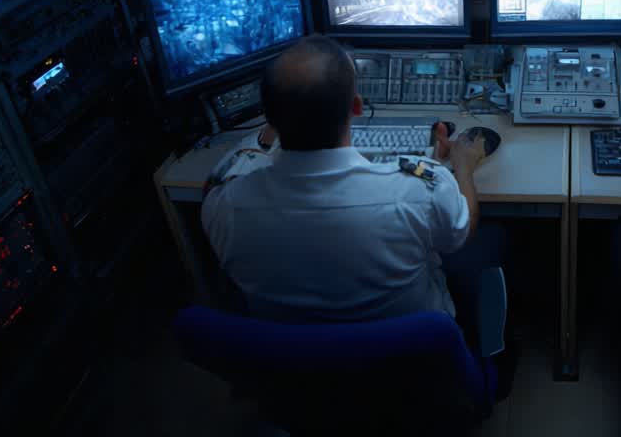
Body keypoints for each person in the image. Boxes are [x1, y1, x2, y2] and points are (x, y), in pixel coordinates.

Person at [200, 35, 506, 357]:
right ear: (357, 107)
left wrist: (273, 128)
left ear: (271, 117)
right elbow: (463, 229)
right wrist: (463, 165)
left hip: (296, 370)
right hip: (408, 363)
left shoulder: (225, 207)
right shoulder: (418, 189)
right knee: (490, 239)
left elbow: (222, 178)